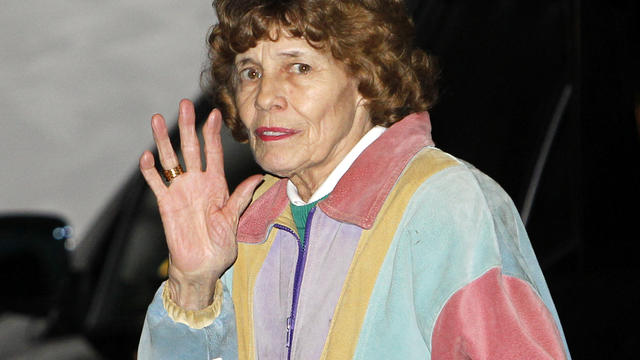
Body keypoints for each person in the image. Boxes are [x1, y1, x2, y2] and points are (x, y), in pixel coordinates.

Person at [137, 0, 571, 359]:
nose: (265, 96)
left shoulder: (445, 204)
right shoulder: (244, 226)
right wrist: (193, 285)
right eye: (251, 72)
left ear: (366, 77)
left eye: (299, 67)